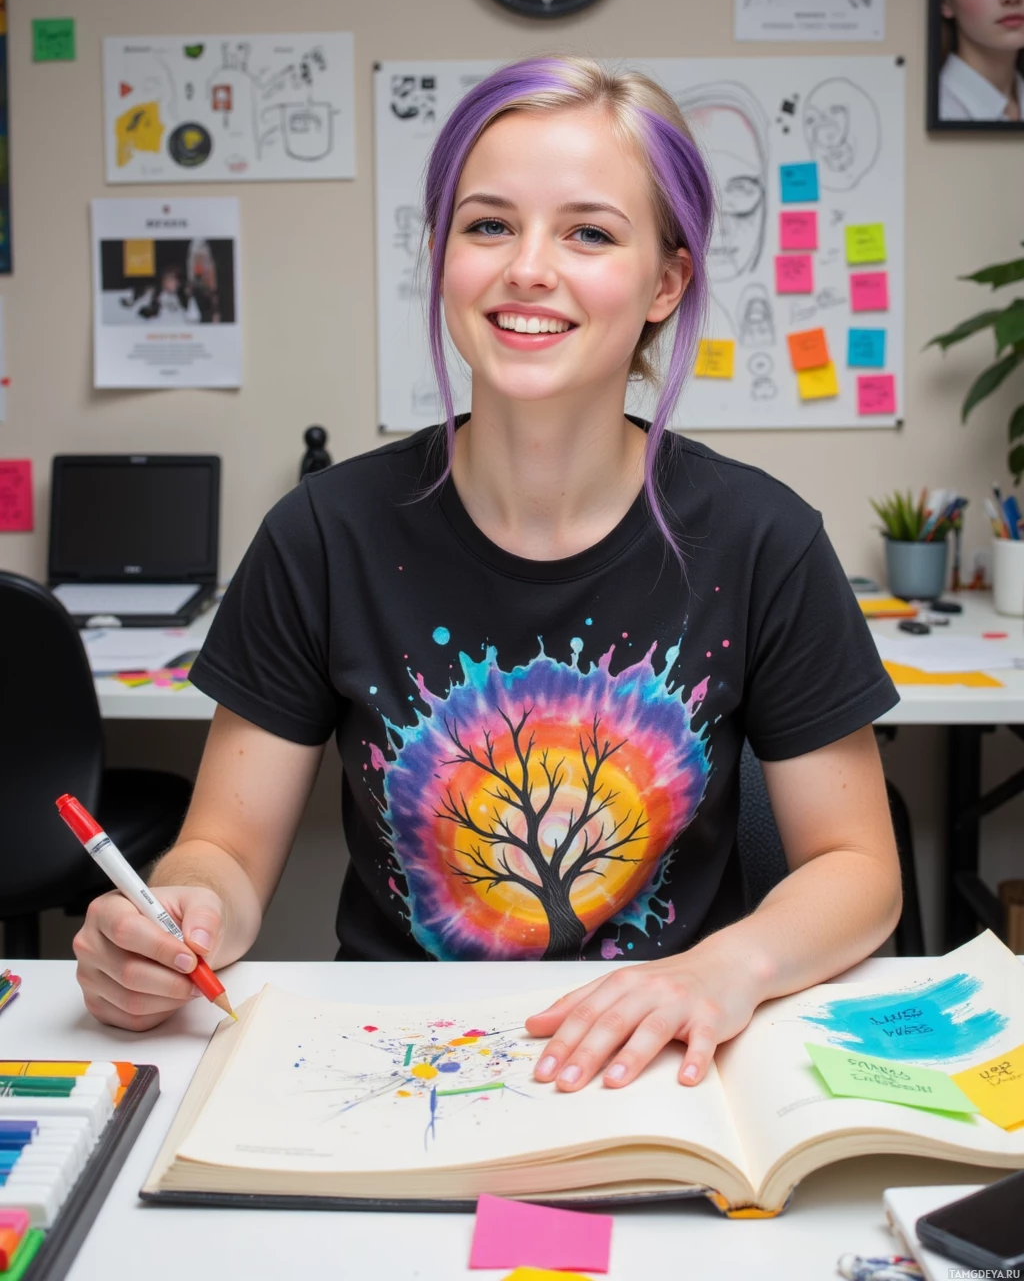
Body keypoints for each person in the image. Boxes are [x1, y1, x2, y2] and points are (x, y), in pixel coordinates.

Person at [73, 57, 902, 1097]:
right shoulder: (321, 534)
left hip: (655, 1069)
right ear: (441, 255)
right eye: (488, 225)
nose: (528, 269)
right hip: (385, 1065)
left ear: (665, 281)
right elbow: (225, 855)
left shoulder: (762, 538)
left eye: (589, 232)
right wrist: (175, 914)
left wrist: (723, 968)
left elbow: (859, 870)